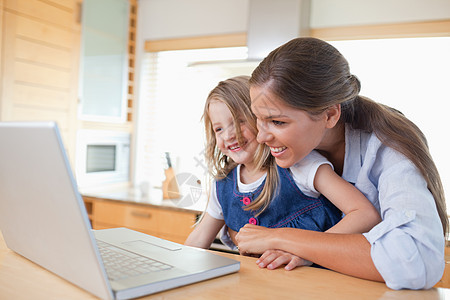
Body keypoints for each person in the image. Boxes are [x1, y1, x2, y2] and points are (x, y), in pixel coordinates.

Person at [234, 37, 447, 290]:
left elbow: (415, 261)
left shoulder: (388, 149)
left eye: (278, 122)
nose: (261, 136)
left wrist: (282, 238)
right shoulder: (295, 152)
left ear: (330, 115)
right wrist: (308, 250)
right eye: (258, 119)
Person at [185, 75, 381, 260]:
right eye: (218, 128)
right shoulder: (223, 184)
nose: (228, 135)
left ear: (262, 119)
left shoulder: (300, 164)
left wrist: (307, 253)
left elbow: (365, 214)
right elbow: (198, 239)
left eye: (239, 121)